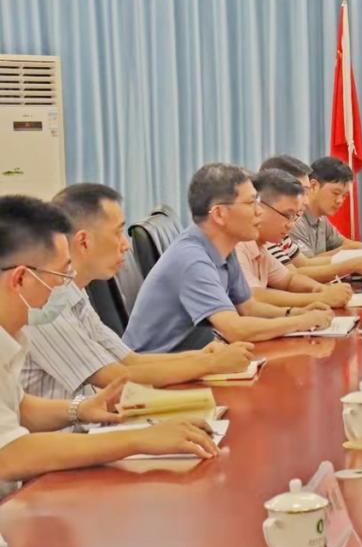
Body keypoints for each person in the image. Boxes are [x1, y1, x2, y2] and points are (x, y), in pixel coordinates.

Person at [0, 196, 218, 499]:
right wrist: (140, 439)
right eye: (60, 276)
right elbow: (9, 454)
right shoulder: (31, 324)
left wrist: (80, 410)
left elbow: (18, 406)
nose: (64, 286)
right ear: (21, 278)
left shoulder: (12, 333)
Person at [20, 184, 256, 400]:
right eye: (118, 233)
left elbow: (130, 360)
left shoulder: (75, 294)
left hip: (100, 416)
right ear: (84, 242)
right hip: (77, 429)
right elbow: (115, 376)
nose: (126, 245)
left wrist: (203, 357)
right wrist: (211, 364)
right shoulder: (45, 305)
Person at [123, 164, 333, 352]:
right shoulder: (192, 259)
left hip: (195, 357)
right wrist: (302, 321)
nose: (259, 212)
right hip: (158, 373)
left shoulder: (224, 248)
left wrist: (295, 313)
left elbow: (249, 308)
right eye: (251, 203)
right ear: (219, 214)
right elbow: (235, 329)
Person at [239, 169, 354, 308]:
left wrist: (320, 289)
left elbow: (289, 279)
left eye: (294, 216)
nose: (291, 224)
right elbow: (253, 295)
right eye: (287, 215)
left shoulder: (262, 247)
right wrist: (320, 297)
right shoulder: (239, 245)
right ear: (259, 208)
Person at [258, 155, 362, 280]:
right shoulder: (277, 228)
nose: (306, 201)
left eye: (306, 192)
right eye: (299, 192)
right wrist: (352, 264)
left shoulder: (284, 231)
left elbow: (304, 264)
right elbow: (293, 276)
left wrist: (357, 254)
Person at [289, 157, 362, 258]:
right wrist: (346, 252)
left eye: (344, 195)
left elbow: (341, 242)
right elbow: (306, 264)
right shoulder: (294, 220)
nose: (340, 201)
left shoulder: (321, 218)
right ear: (314, 186)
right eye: (335, 193)